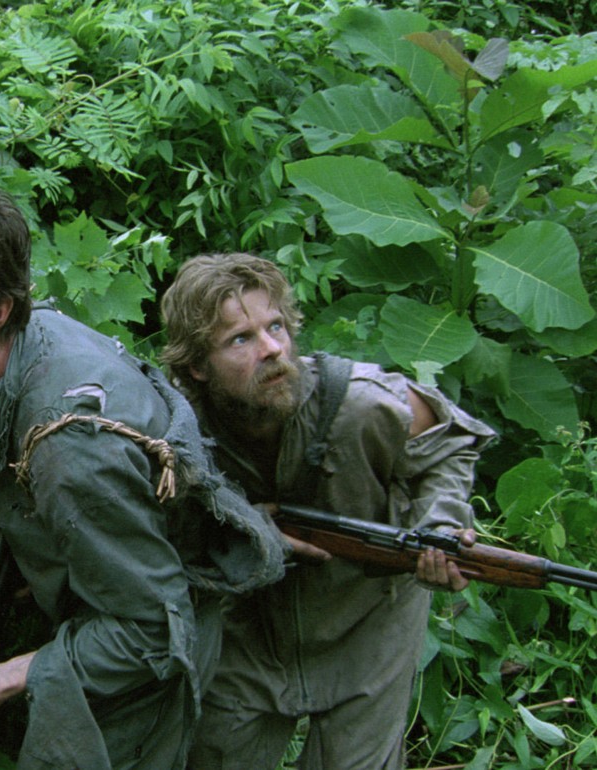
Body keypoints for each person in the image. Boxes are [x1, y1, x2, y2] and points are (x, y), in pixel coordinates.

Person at [0, 188, 288, 769]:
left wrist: (22, 670)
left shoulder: (68, 445)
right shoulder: (33, 335)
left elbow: (153, 633)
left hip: (151, 674)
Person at [159, 252, 497, 770]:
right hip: (250, 631)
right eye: (241, 339)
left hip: (367, 622)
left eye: (276, 326)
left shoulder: (362, 404)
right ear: (197, 367)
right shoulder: (179, 436)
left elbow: (452, 441)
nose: (273, 349)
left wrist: (441, 525)